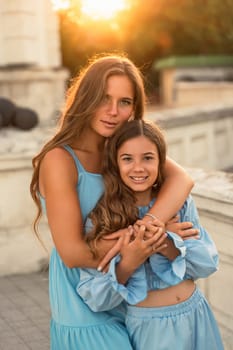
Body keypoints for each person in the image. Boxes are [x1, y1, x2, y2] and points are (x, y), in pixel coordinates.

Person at [30, 54, 197, 350]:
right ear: (85, 98)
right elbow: (72, 252)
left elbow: (182, 179)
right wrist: (150, 240)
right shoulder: (60, 159)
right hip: (82, 305)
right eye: (103, 99)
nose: (112, 112)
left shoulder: (121, 148)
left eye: (125, 102)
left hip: (127, 291)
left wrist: (150, 226)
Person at [77, 119, 224, 350]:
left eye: (148, 157)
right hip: (150, 331)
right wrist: (129, 262)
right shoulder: (102, 218)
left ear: (160, 161)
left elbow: (208, 263)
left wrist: (167, 242)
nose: (138, 168)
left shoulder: (180, 203)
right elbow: (96, 298)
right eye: (127, 159)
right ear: (115, 163)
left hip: (197, 315)